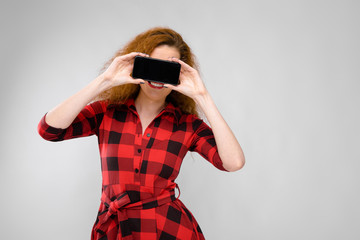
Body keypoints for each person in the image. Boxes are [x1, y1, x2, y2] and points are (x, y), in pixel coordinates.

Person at [38, 27, 245, 240]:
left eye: (169, 69)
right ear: (138, 64)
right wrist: (105, 80)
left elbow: (233, 162)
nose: (158, 77)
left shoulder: (187, 124)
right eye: (152, 66)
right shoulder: (107, 112)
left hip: (168, 229)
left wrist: (202, 95)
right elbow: (48, 130)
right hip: (114, 228)